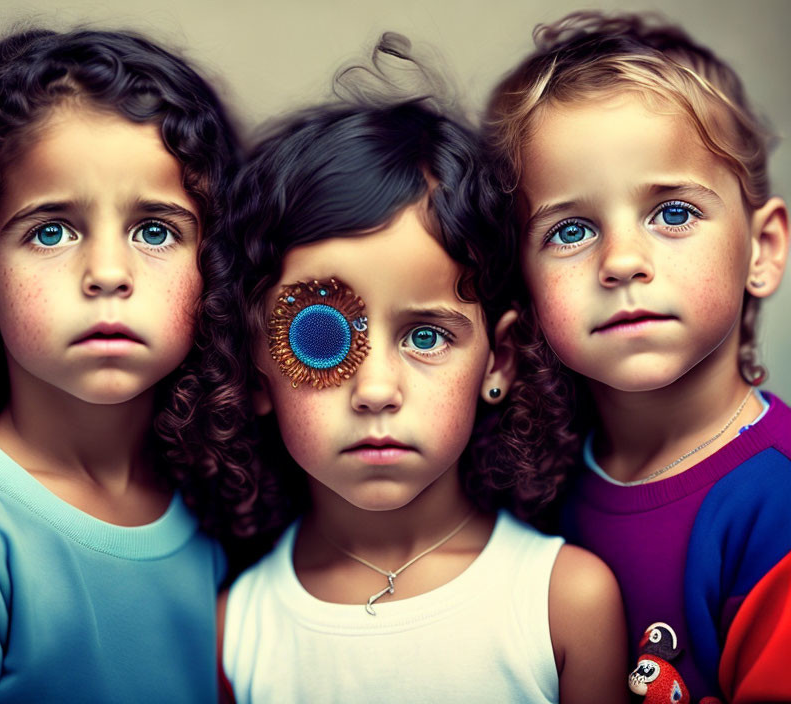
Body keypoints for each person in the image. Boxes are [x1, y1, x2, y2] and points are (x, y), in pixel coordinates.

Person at [215, 36, 628, 704]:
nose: (377, 390)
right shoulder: (236, 633)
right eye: (321, 338)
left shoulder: (565, 604)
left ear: (498, 361)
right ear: (256, 369)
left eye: (427, 335)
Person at [0, 28, 241, 703]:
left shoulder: (215, 507)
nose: (108, 274)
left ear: (214, 271)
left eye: (155, 231)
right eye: (51, 230)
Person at [483, 11, 790, 703]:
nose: (621, 261)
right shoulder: (528, 487)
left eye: (673, 213)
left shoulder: (778, 505)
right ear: (520, 282)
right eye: (571, 229)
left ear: (762, 249)